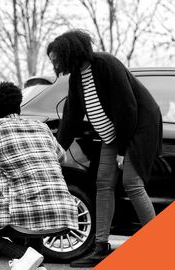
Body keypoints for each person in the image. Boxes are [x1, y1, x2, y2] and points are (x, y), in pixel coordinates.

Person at [46, 30, 163, 268]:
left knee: (132, 182)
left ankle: (160, 246)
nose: (55, 64)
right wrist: (58, 151)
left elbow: (127, 108)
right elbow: (72, 117)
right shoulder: (77, 77)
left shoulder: (106, 64)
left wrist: (121, 150)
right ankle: (101, 247)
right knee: (103, 183)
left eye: (56, 58)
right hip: (114, 133)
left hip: (138, 127)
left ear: (70, 52)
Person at [0, 82, 79, 270]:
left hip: (25, 214)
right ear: (19, 106)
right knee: (24, 227)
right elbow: (61, 157)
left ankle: (23, 255)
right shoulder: (41, 127)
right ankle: (33, 262)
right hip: (64, 213)